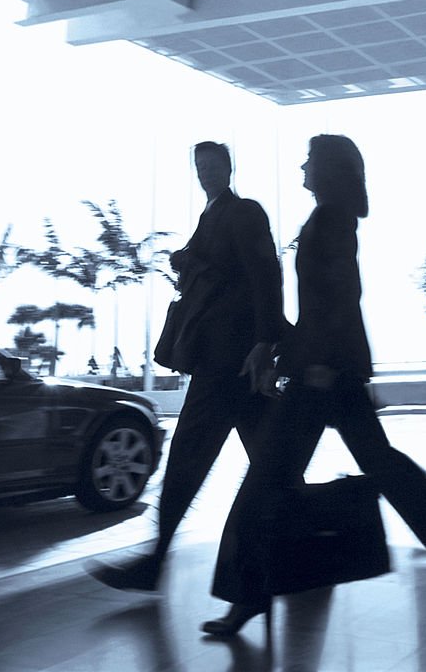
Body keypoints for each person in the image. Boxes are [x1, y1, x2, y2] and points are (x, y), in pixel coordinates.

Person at [201, 134, 426, 637]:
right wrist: (287, 349)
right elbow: (328, 304)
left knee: (263, 484)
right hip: (330, 371)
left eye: (309, 161)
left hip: (322, 376)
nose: (301, 167)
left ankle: (247, 596)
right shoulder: (331, 219)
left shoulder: (329, 222)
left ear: (326, 170)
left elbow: (342, 299)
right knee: (384, 467)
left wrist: (314, 364)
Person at [86, 141, 283, 592]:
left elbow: (265, 275)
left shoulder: (243, 212)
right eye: (200, 167)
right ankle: (312, 547)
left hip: (228, 360)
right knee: (272, 464)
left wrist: (264, 341)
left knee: (189, 458)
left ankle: (155, 562)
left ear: (230, 168)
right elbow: (226, 273)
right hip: (227, 358)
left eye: (213, 166)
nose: (206, 173)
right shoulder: (212, 216)